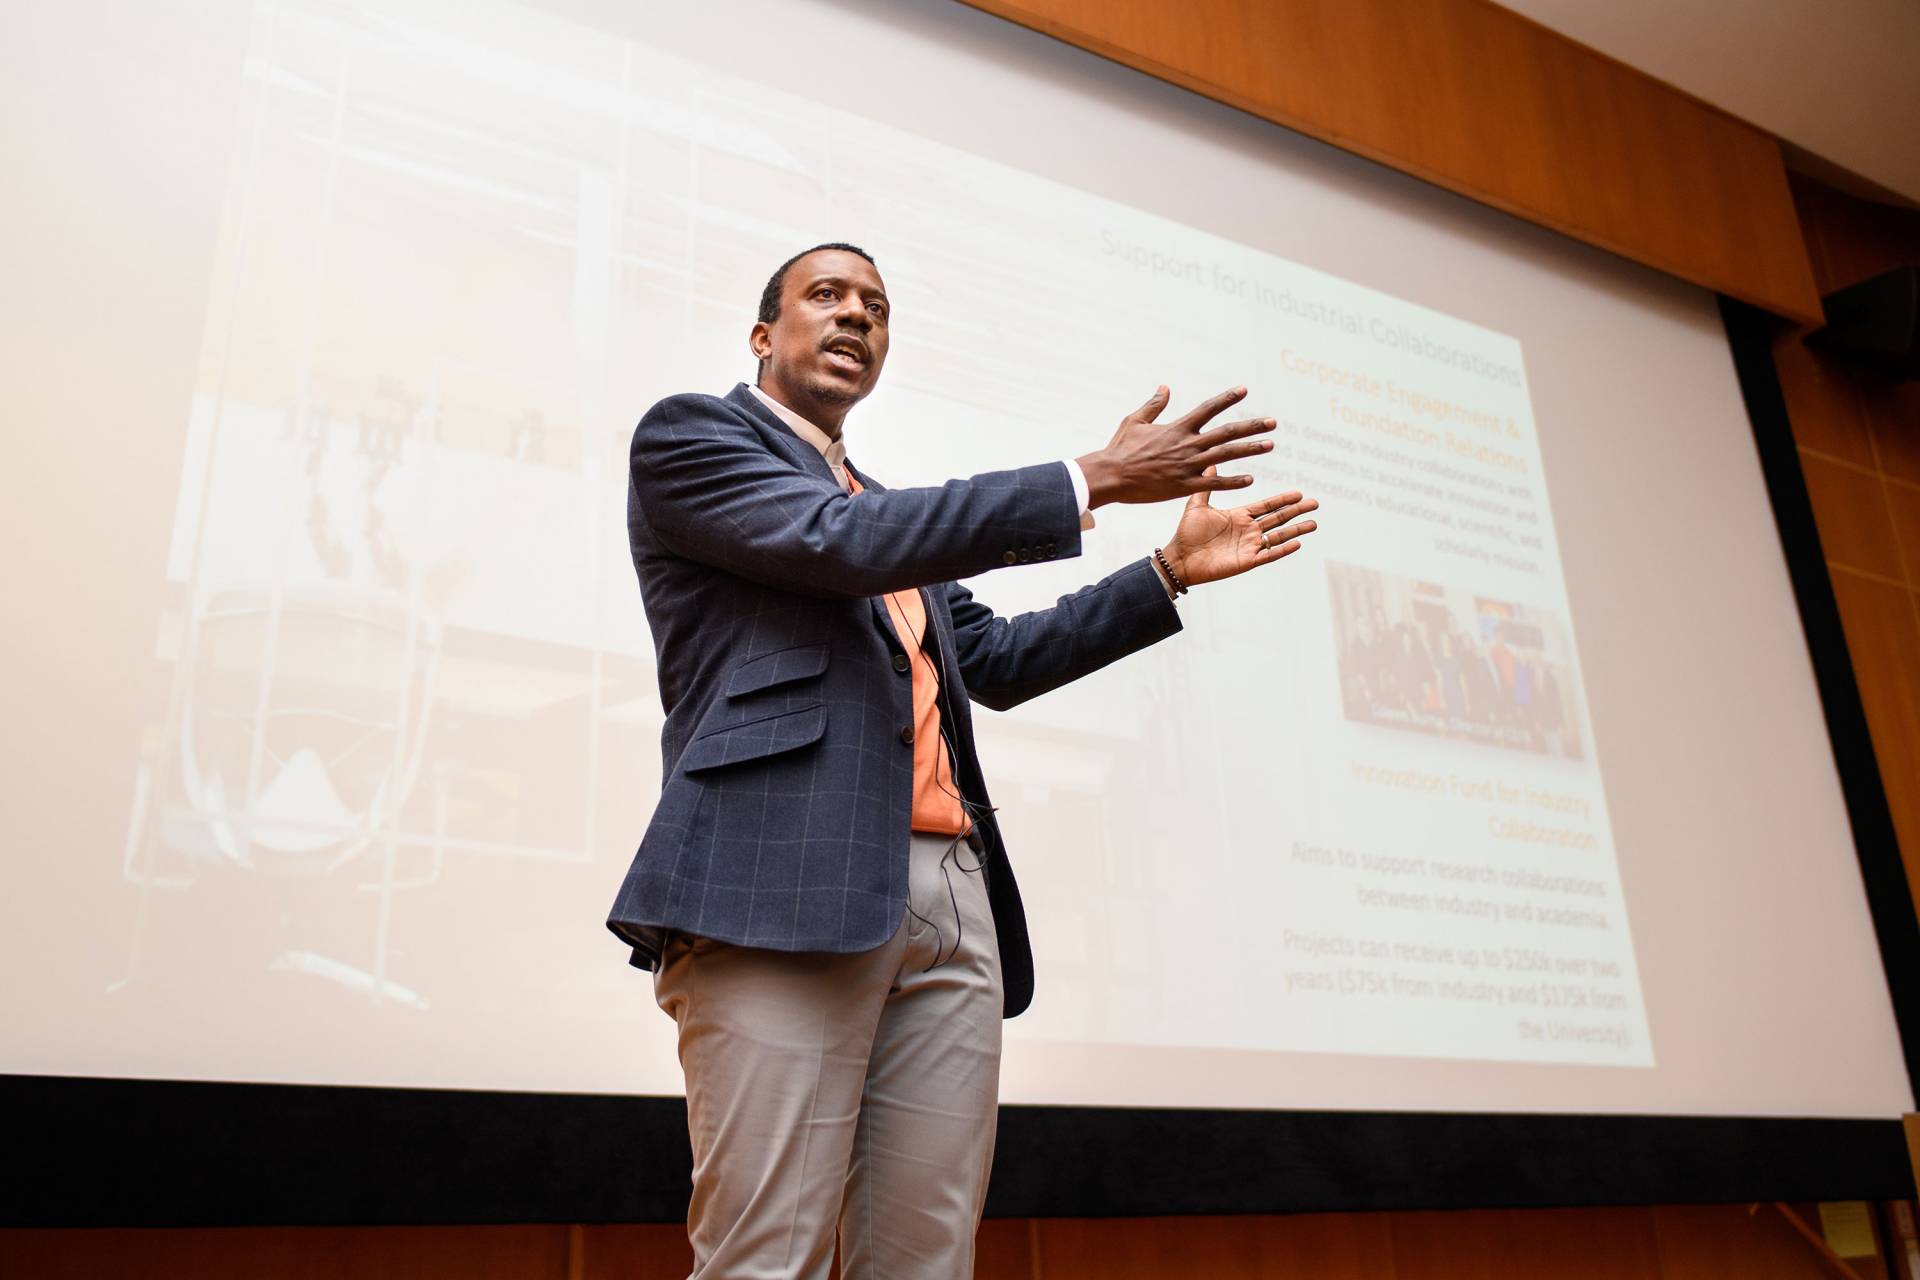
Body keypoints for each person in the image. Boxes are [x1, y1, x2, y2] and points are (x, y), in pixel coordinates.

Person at [606, 242, 1319, 1279]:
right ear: (765, 336)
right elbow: (831, 541)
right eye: (827, 296)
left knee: (927, 1261)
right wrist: (1092, 479)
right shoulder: (694, 439)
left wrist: (1164, 572)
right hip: (782, 884)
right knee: (766, 1260)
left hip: (953, 899)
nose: (856, 316)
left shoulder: (889, 516)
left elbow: (997, 659)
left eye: (877, 307)